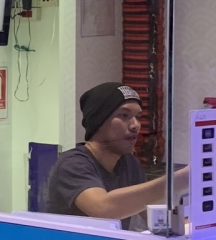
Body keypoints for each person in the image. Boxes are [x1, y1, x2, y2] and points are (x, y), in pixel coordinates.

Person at [45, 82, 188, 229]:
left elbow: (152, 214)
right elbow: (103, 209)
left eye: (138, 117)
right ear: (99, 121)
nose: (135, 125)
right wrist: (180, 179)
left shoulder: (129, 163)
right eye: (124, 115)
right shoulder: (72, 164)